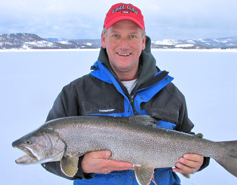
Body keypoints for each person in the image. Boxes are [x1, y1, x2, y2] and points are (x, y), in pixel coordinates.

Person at [42, 3, 210, 185]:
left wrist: (200, 161)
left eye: (132, 36)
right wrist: (83, 166)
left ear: (143, 41)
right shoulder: (75, 92)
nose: (124, 45)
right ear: (103, 39)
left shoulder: (169, 93)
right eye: (116, 35)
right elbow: (47, 156)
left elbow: (187, 138)